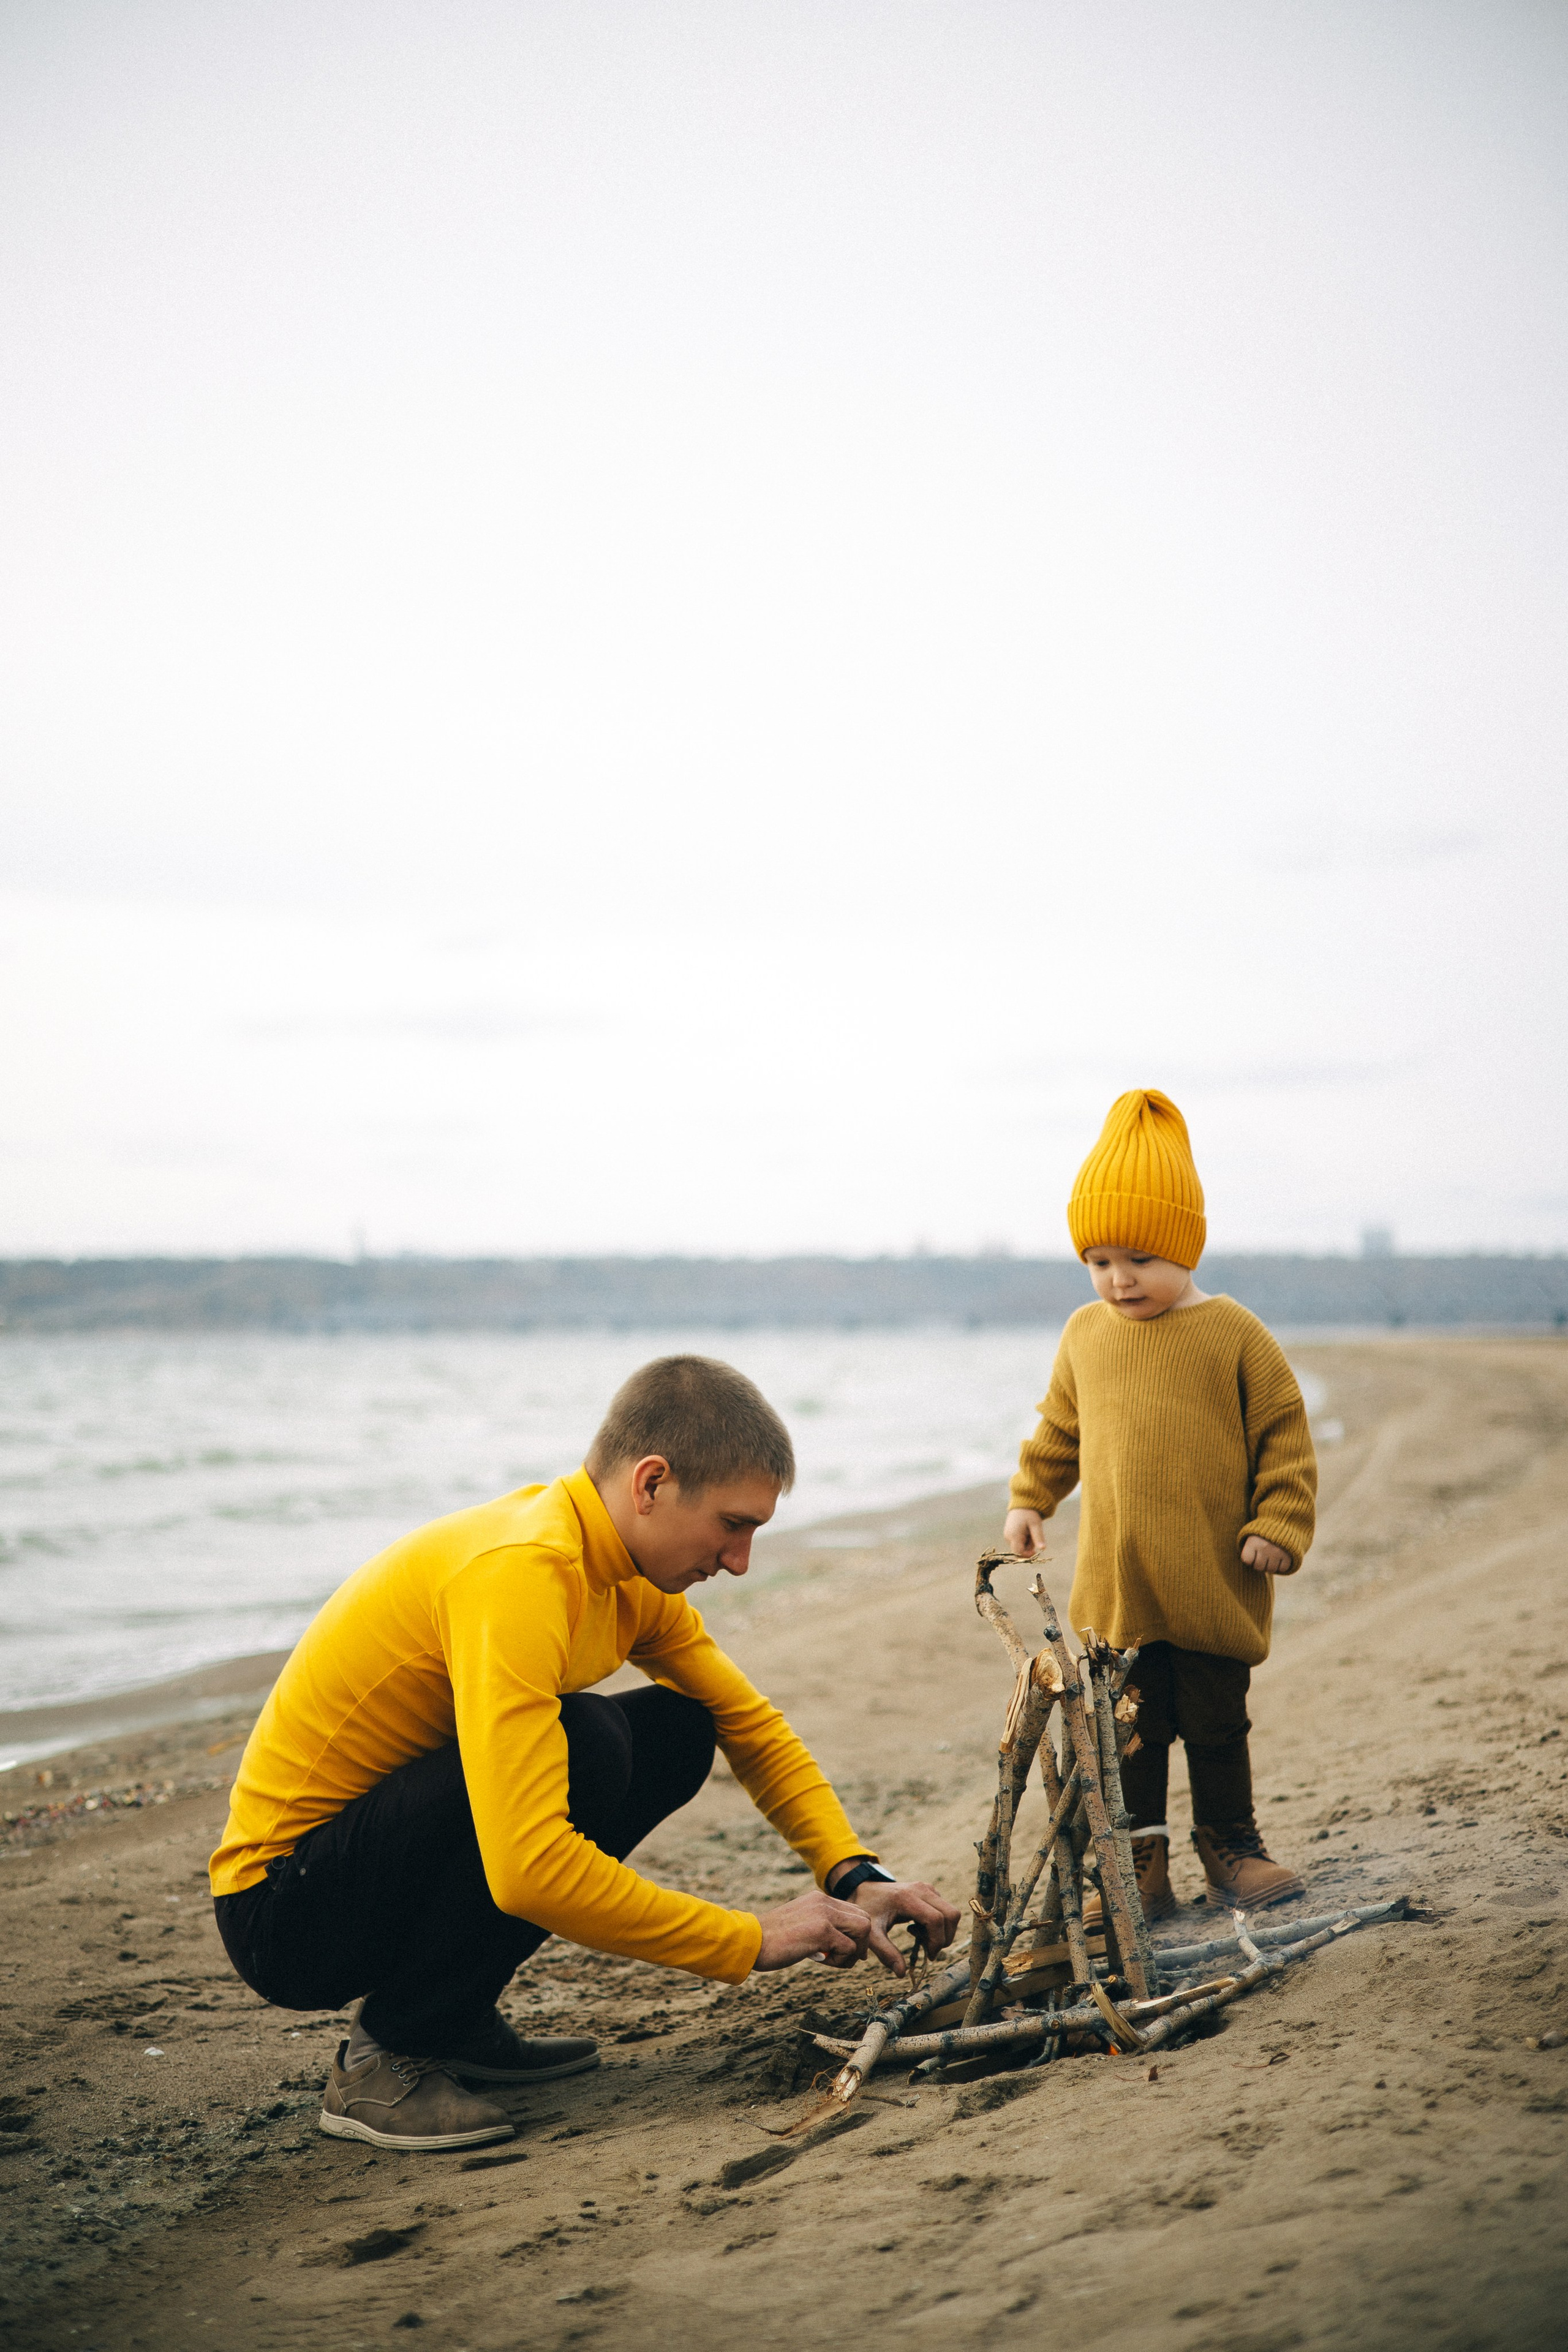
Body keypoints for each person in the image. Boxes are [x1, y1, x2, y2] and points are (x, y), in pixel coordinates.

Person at [209, 1354, 959, 2154]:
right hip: (285, 1912)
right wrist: (748, 1939)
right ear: (651, 1484)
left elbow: (751, 1726)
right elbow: (526, 1867)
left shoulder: (624, 1577)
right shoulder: (523, 1572)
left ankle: (446, 2017)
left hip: (365, 1869)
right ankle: (386, 2058)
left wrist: (856, 1875)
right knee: (589, 1746)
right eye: (732, 1525)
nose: (739, 1561)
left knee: (678, 1729)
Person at [1002, 1089, 1317, 1921]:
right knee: (1127, 1740)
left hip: (1214, 1579)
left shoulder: (1234, 1334)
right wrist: (1031, 1498)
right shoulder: (1085, 1334)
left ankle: (1232, 1848)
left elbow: (1284, 1436)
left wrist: (1279, 1526)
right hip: (1121, 1589)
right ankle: (1138, 1869)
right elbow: (1059, 1428)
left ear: (1185, 1245)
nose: (1118, 1278)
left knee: (1217, 1727)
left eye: (1138, 1257)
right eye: (1099, 1260)